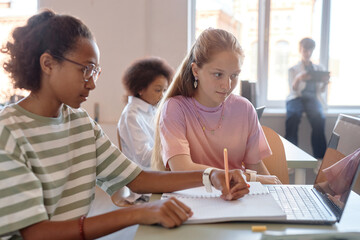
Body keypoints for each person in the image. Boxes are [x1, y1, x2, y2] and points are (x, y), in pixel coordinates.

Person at [0, 10, 250, 239]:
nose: (92, 83)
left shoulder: (80, 125)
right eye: (86, 70)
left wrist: (212, 175)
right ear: (48, 64)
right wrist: (139, 213)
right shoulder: (9, 131)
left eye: (95, 71)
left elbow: (137, 178)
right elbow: (36, 233)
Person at [151, 28, 281, 184]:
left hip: (237, 199)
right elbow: (181, 168)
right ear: (196, 70)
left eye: (234, 75)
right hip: (193, 199)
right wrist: (247, 177)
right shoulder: (174, 108)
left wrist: (277, 191)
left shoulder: (245, 108)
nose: (227, 85)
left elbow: (256, 168)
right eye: (218, 74)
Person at [118, 57, 173, 169]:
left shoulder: (154, 110)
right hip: (144, 180)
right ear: (140, 89)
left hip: (157, 174)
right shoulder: (131, 115)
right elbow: (144, 158)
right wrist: (172, 146)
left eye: (165, 90)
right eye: (158, 90)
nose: (162, 95)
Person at [285, 38, 329, 165]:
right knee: (293, 116)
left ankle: (320, 159)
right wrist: (299, 78)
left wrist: (325, 82)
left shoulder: (318, 68)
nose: (308, 53)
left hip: (312, 99)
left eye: (310, 50)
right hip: (296, 97)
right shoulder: (293, 69)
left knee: (319, 117)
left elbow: (320, 91)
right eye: (305, 50)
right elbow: (293, 89)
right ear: (300, 50)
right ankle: (289, 158)